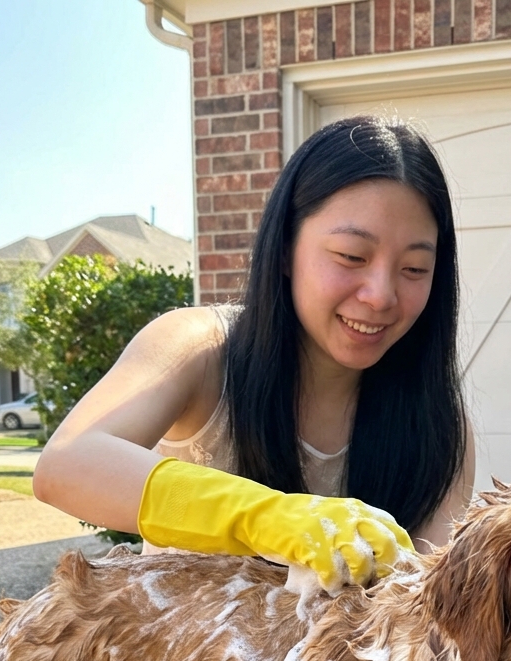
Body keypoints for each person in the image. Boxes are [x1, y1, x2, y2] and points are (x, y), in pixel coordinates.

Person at [33, 116, 474, 591]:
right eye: (351, 256)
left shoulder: (438, 425)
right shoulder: (200, 349)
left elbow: (424, 614)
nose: (381, 295)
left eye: (414, 267)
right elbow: (66, 464)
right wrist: (268, 518)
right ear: (285, 248)